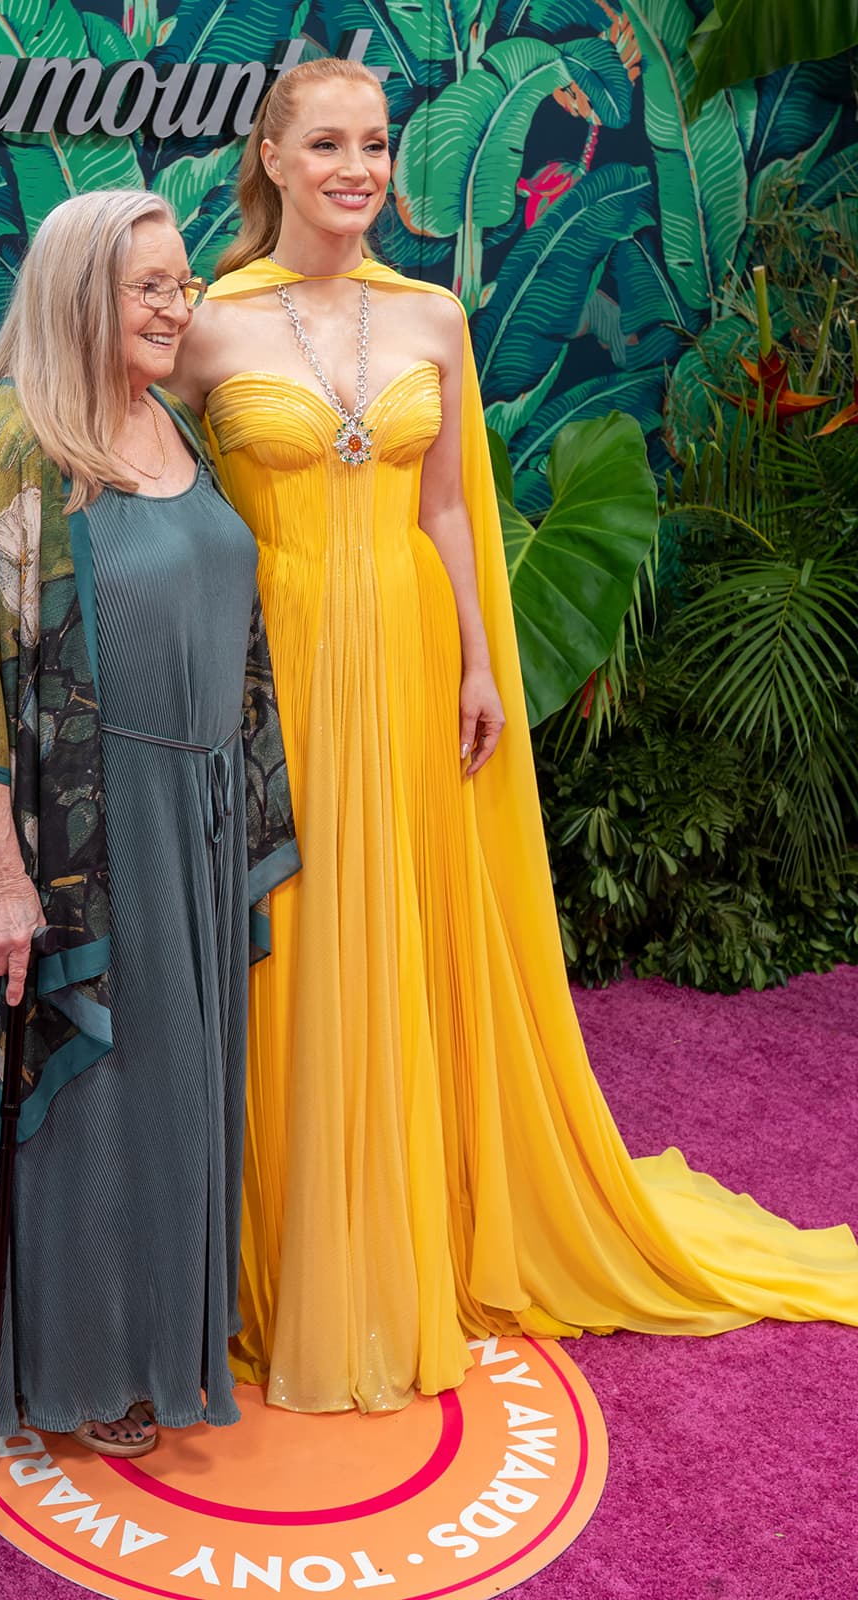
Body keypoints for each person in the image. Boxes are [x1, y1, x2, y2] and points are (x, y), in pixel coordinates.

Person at [168, 56, 858, 1416]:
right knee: (294, 941)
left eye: (373, 143)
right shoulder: (206, 327)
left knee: (404, 938)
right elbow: (155, 506)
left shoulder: (430, 316)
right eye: (327, 144)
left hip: (418, 662)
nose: (357, 168)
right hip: (276, 678)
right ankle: (286, 1253)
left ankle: (406, 1232)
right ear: (273, 158)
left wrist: (486, 663)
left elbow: (446, 511)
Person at [0, 190, 298, 1455]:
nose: (181, 306)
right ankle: (75, 1359)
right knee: (98, 1094)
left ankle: (162, 1334)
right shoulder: (17, 443)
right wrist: (0, 880)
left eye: (185, 284)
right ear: (80, 296)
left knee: (176, 1094)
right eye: (152, 288)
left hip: (196, 815)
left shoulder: (168, 422)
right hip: (85, 830)